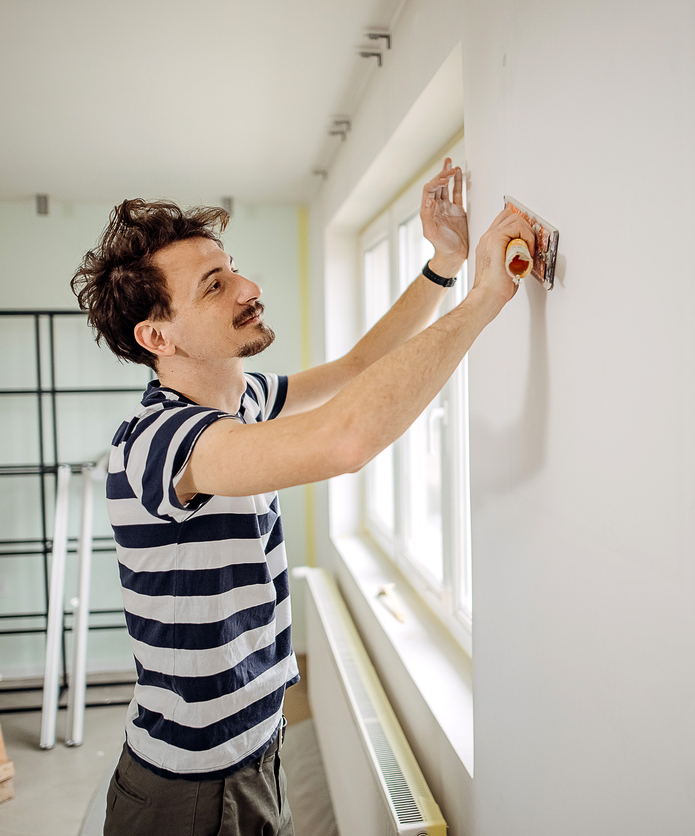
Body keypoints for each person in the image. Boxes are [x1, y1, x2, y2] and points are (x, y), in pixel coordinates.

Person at [71, 158, 533, 836]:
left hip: (256, 754)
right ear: (158, 337)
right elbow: (346, 440)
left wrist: (445, 262)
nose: (248, 287)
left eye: (234, 268)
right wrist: (484, 298)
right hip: (188, 792)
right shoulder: (159, 441)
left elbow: (357, 371)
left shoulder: (245, 398)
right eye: (215, 285)